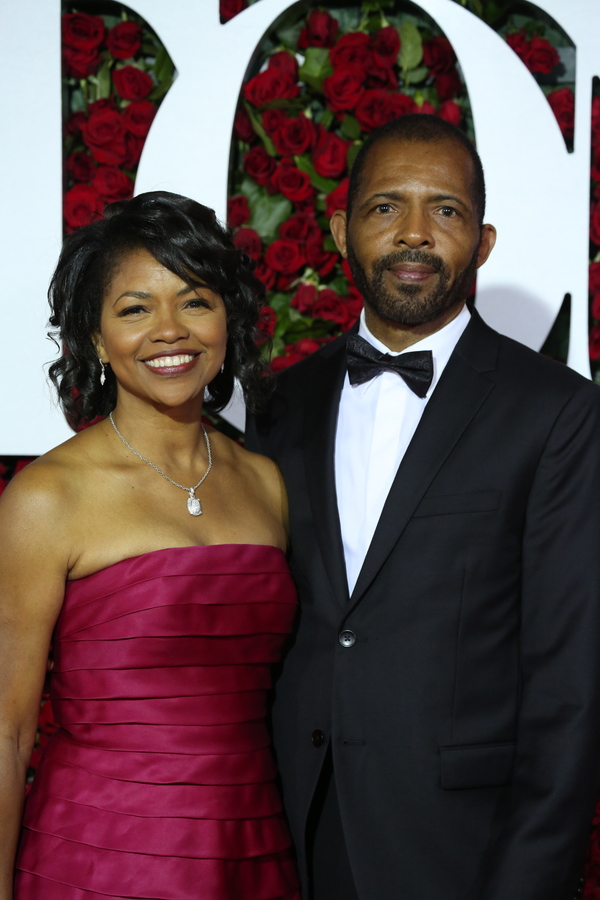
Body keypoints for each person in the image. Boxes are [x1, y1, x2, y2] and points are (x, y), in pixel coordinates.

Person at [246, 114, 600, 900]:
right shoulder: (280, 405)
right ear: (340, 230)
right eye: (385, 208)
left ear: (484, 240)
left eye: (445, 211)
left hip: (461, 851)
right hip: (293, 836)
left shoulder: (554, 413)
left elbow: (569, 684)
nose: (414, 234)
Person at [0, 191, 301, 900]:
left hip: (251, 851)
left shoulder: (266, 484)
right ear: (98, 340)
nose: (170, 331)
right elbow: (7, 734)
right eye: (135, 309)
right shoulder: (47, 499)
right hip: (100, 858)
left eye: (195, 301)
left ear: (228, 320)